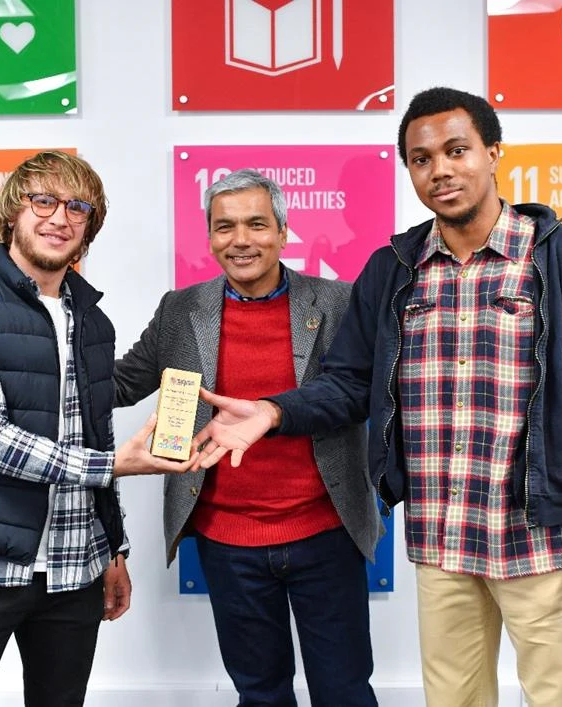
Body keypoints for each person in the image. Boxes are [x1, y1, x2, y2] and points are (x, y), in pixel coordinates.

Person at [192, 89, 562, 707]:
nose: (441, 170)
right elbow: (349, 385)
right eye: (421, 158)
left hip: (546, 544)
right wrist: (274, 411)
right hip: (442, 542)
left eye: (457, 151)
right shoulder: (395, 269)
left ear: (493, 153)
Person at [0, 150, 196, 707]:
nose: (59, 217)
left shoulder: (92, 320)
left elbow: (95, 434)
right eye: (44, 200)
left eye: (78, 207)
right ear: (13, 212)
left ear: (89, 228)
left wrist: (113, 548)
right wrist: (115, 466)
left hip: (74, 569)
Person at [114, 168, 381, 707]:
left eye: (257, 225)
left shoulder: (338, 302)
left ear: (284, 233)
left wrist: (273, 412)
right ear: (210, 237)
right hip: (228, 541)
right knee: (259, 694)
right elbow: (121, 382)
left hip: (325, 532)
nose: (240, 240)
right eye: (224, 227)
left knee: (345, 692)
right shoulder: (180, 309)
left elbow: (357, 394)